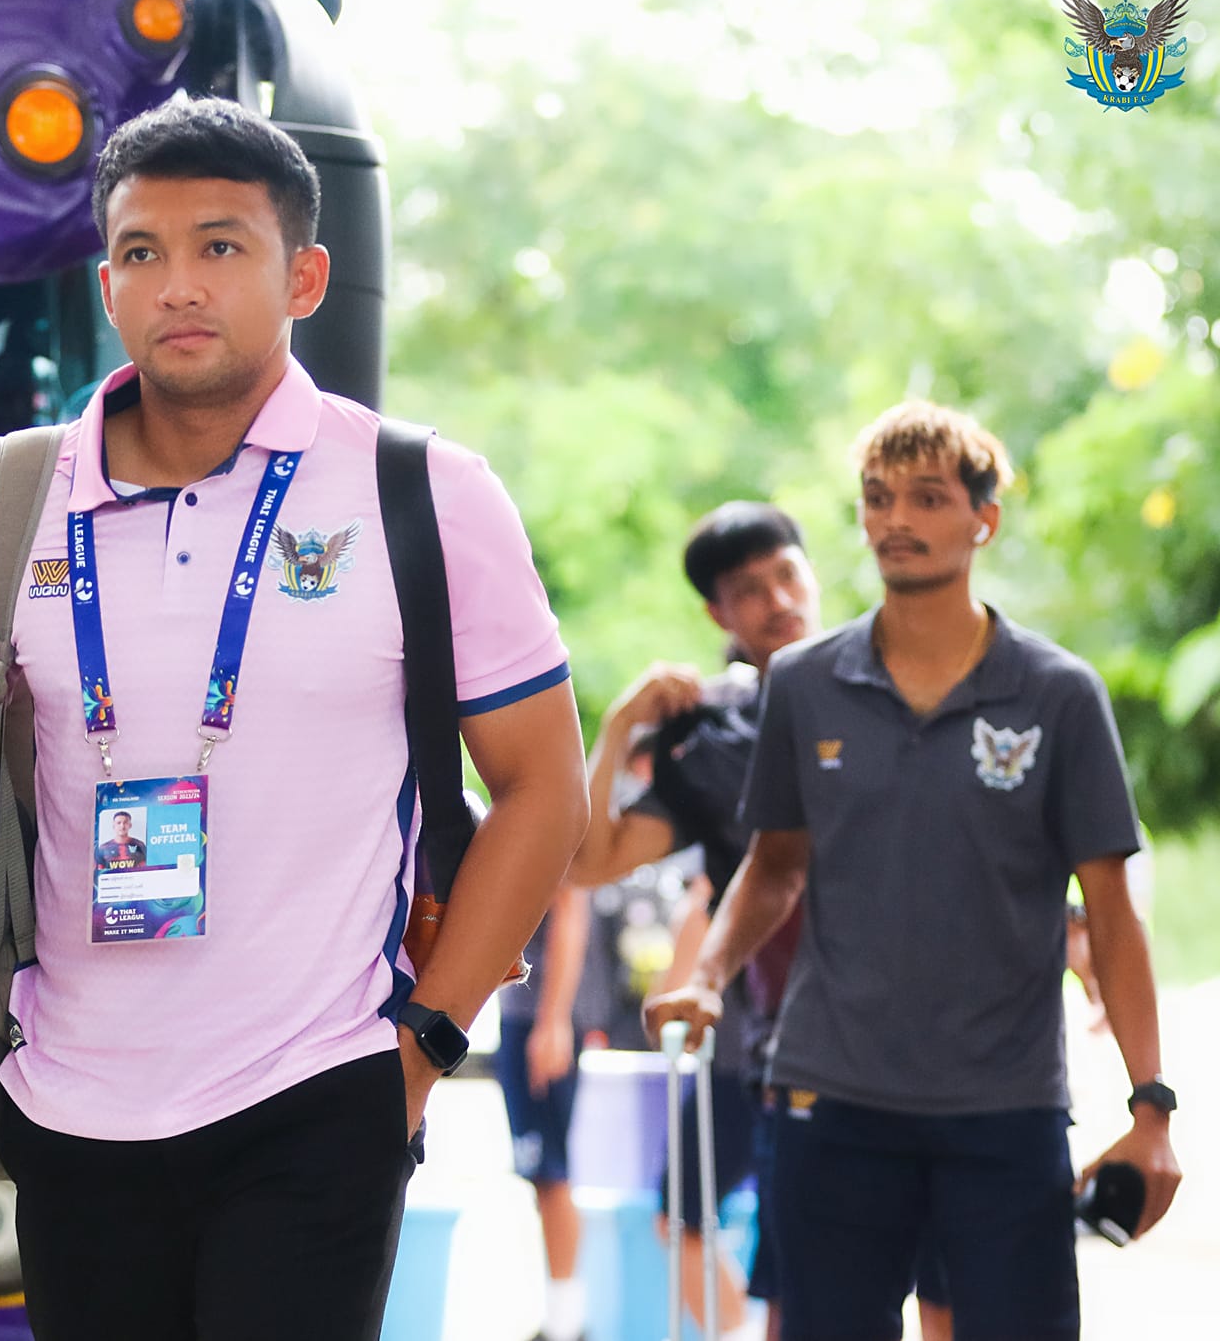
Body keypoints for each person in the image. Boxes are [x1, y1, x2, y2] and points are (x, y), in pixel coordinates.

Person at [0, 95, 590, 1341]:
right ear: (106, 287)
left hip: (318, 1089)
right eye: (141, 252)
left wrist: (424, 1044)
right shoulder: (6, 497)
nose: (177, 284)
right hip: (67, 1099)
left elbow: (543, 788)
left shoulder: (423, 491)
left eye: (220, 246)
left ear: (304, 277)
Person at [647, 401, 1182, 1341]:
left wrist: (1152, 1108)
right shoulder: (805, 683)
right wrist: (708, 976)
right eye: (877, 497)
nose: (896, 519)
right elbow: (774, 866)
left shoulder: (1059, 694)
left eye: (928, 498)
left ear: (984, 519)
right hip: (830, 1102)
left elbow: (1111, 909)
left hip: (1006, 1111)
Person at [568, 502, 822, 1340]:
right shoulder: (713, 740)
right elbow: (587, 862)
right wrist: (619, 727)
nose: (778, 600)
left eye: (787, 575)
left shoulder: (876, 693)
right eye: (750, 590)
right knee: (744, 1248)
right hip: (766, 1044)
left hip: (895, 1037)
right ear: (718, 614)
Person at [494, 887, 592, 1341]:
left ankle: (565, 1325)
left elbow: (571, 906)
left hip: (539, 1019)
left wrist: (553, 1021)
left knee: (552, 1173)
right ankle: (560, 1318)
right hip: (523, 1015)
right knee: (541, 1174)